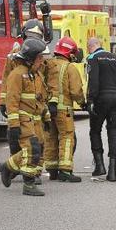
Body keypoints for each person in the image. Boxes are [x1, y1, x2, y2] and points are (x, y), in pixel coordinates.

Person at [0, 38, 48, 197]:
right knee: (32, 149)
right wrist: (14, 126)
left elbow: (39, 98)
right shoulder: (17, 75)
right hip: (23, 119)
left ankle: (7, 167)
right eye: (39, 57)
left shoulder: (35, 75)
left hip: (34, 119)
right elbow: (11, 102)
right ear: (31, 58)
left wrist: (46, 117)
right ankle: (29, 184)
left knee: (36, 149)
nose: (42, 60)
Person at [43, 37, 85, 183]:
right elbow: (75, 91)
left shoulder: (47, 64)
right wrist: (82, 102)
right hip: (64, 110)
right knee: (67, 138)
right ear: (70, 53)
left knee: (51, 138)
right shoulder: (69, 68)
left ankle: (52, 169)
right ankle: (65, 170)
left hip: (48, 109)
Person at [86, 37, 116, 181]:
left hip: (101, 99)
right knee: (113, 131)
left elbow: (94, 81)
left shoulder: (93, 58)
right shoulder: (115, 58)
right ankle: (113, 172)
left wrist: (91, 100)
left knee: (95, 130)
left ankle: (100, 166)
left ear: (90, 46)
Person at [0, 19, 45, 117]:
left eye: (37, 37)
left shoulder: (43, 57)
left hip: (38, 107)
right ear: (24, 36)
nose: (33, 40)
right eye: (30, 36)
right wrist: (3, 101)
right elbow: (6, 78)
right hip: (19, 106)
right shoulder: (13, 56)